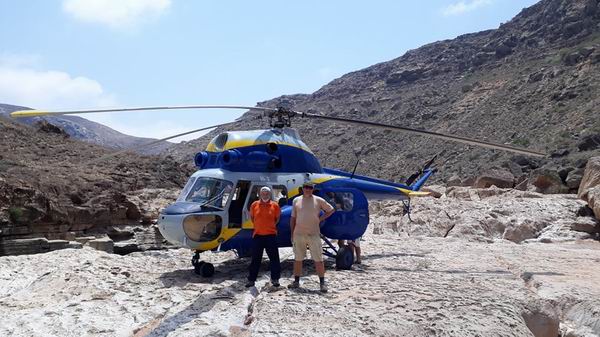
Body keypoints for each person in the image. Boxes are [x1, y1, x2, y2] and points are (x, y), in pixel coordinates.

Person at [288, 182, 335, 293]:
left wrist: (320, 219)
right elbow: (293, 218)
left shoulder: (318, 200)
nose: (308, 189)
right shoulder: (296, 200)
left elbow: (331, 210)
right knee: (298, 259)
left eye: (310, 188)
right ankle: (296, 281)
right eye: (306, 187)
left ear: (313, 189)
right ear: (302, 188)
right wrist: (292, 233)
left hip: (314, 234)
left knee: (318, 259)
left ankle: (322, 283)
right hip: (299, 234)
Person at [246, 186, 281, 288]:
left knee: (274, 259)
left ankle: (275, 279)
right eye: (263, 193)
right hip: (258, 236)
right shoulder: (254, 205)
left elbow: (277, 219)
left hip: (271, 236)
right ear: (260, 194)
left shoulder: (275, 205)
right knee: (255, 259)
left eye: (267, 193)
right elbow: (252, 218)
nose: (265, 195)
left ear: (270, 194)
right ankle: (251, 280)